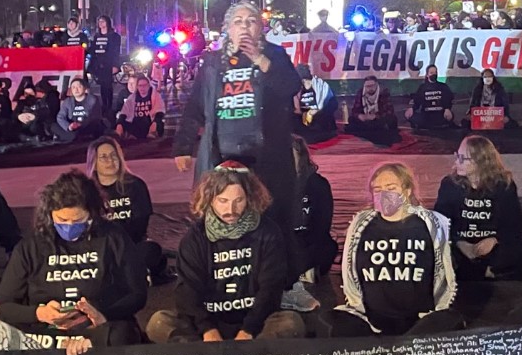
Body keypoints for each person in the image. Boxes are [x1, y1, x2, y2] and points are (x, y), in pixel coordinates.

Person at [174, 0, 302, 239]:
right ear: (228, 29)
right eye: (238, 22)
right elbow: (195, 106)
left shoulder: (274, 55)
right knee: (221, 214)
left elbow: (291, 87)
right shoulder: (212, 62)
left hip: (265, 153)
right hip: (221, 153)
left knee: (269, 217)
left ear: (260, 29)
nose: (245, 26)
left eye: (251, 21)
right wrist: (183, 146)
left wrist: (262, 62)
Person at [149, 163, 302, 342]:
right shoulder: (195, 238)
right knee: (159, 323)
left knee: (291, 323)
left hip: (255, 323)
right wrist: (208, 330)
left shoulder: (267, 232)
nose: (231, 210)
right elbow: (187, 292)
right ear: (210, 199)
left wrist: (248, 330)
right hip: (209, 324)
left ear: (250, 198)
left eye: (239, 201)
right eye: (223, 201)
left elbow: (271, 289)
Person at [0, 170, 146, 349]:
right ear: (50, 214)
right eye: (62, 220)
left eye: (78, 221)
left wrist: (102, 314)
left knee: (121, 334)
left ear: (91, 214)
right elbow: (4, 305)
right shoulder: (31, 247)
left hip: (97, 328)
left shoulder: (113, 237)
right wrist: (39, 313)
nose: (69, 226)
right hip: (46, 332)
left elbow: (137, 294)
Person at [333, 162, 463, 337]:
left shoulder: (430, 225)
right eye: (377, 189)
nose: (383, 194)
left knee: (450, 320)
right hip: (372, 322)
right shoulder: (361, 226)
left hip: (420, 321)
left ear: (407, 190)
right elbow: (350, 273)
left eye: (391, 187)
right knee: (332, 323)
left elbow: (443, 275)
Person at [434, 135, 522, 283]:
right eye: (457, 156)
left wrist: (494, 239)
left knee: (515, 249)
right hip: (461, 245)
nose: (456, 162)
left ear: (480, 161)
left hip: (493, 245)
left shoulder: (503, 185)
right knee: (439, 253)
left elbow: (515, 223)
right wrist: (460, 242)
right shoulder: (450, 185)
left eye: (462, 158)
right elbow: (440, 221)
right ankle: (487, 272)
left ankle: (477, 272)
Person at [86, 135, 165, 285]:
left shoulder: (136, 185)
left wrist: (119, 245)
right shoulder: (86, 190)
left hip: (130, 244)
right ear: (94, 163)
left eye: (113, 155)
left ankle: (118, 274)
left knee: (151, 250)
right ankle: (129, 275)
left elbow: (140, 225)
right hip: (101, 248)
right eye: (103, 157)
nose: (110, 161)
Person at [284, 135, 334, 311]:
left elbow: (322, 226)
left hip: (308, 242)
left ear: (301, 156)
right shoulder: (272, 184)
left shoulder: (317, 185)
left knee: (325, 248)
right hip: (282, 244)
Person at [346, 75, 401, 146]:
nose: (370, 88)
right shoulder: (361, 92)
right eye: (367, 86)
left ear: (376, 84)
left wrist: (375, 116)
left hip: (378, 120)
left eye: (372, 86)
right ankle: (371, 134)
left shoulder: (384, 92)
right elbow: (355, 111)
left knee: (389, 121)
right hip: (366, 120)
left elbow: (389, 111)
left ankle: (370, 134)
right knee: (351, 120)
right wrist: (360, 116)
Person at [55, 76, 111, 143]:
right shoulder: (68, 102)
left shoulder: (93, 100)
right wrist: (69, 126)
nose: (76, 89)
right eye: (73, 87)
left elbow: (96, 116)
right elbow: (60, 117)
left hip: (88, 126)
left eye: (79, 87)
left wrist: (81, 124)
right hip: (73, 127)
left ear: (84, 88)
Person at [86, 15, 123, 114]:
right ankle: (104, 106)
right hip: (98, 64)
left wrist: (115, 65)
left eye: (103, 21)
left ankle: (109, 106)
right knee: (102, 85)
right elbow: (92, 50)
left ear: (107, 23)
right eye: (99, 21)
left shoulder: (114, 37)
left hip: (109, 64)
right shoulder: (96, 36)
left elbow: (116, 52)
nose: (101, 23)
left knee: (108, 85)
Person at [292, 65, 338, 141]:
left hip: (322, 122)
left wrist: (314, 112)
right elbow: (298, 110)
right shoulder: (297, 88)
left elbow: (332, 106)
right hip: (306, 121)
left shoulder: (322, 86)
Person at [407, 65, 458, 130]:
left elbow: (449, 99)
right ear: (427, 75)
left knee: (450, 116)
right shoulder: (422, 87)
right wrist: (412, 109)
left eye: (435, 72)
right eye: (431, 73)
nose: (434, 74)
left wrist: (447, 109)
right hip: (426, 115)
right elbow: (417, 101)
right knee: (411, 116)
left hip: (440, 115)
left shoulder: (443, 86)